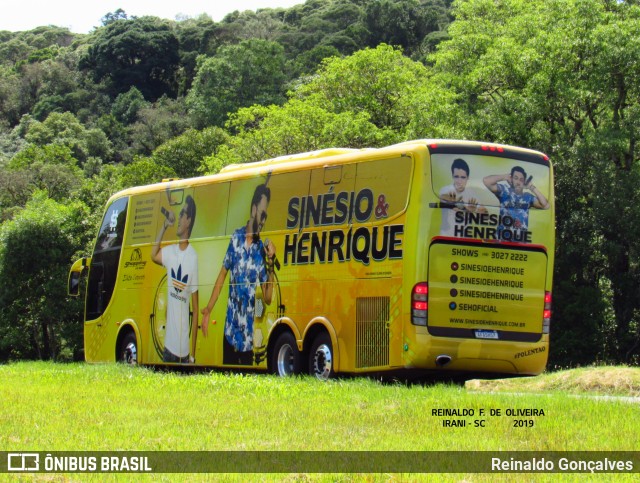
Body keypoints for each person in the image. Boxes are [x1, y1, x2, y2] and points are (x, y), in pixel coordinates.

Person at [201, 184, 277, 365]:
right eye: (262, 214)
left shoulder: (261, 251)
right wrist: (208, 309)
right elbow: (222, 276)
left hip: (247, 343)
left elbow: (267, 298)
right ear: (253, 209)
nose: (263, 220)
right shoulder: (235, 239)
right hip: (229, 336)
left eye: (266, 217)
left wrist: (271, 263)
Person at [151, 195, 199, 363]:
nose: (178, 218)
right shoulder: (170, 252)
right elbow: (153, 255)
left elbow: (196, 308)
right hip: (168, 350)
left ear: (189, 220)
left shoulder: (193, 258)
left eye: (182, 214)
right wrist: (165, 225)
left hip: (184, 353)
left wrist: (192, 355)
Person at [483, 166, 550, 237]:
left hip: (520, 242)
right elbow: (486, 181)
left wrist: (532, 187)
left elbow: (545, 205)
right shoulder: (505, 191)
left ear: (524, 182)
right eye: (516, 178)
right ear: (511, 179)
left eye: (521, 180)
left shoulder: (528, 197)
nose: (518, 182)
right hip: (501, 241)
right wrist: (504, 177)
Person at [439, 158, 487, 235]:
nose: (459, 181)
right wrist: (463, 206)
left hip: (463, 239)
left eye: (463, 177)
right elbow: (443, 197)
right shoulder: (446, 190)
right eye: (456, 176)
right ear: (452, 176)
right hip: (446, 237)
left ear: (468, 177)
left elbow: (485, 213)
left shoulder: (472, 194)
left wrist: (474, 210)